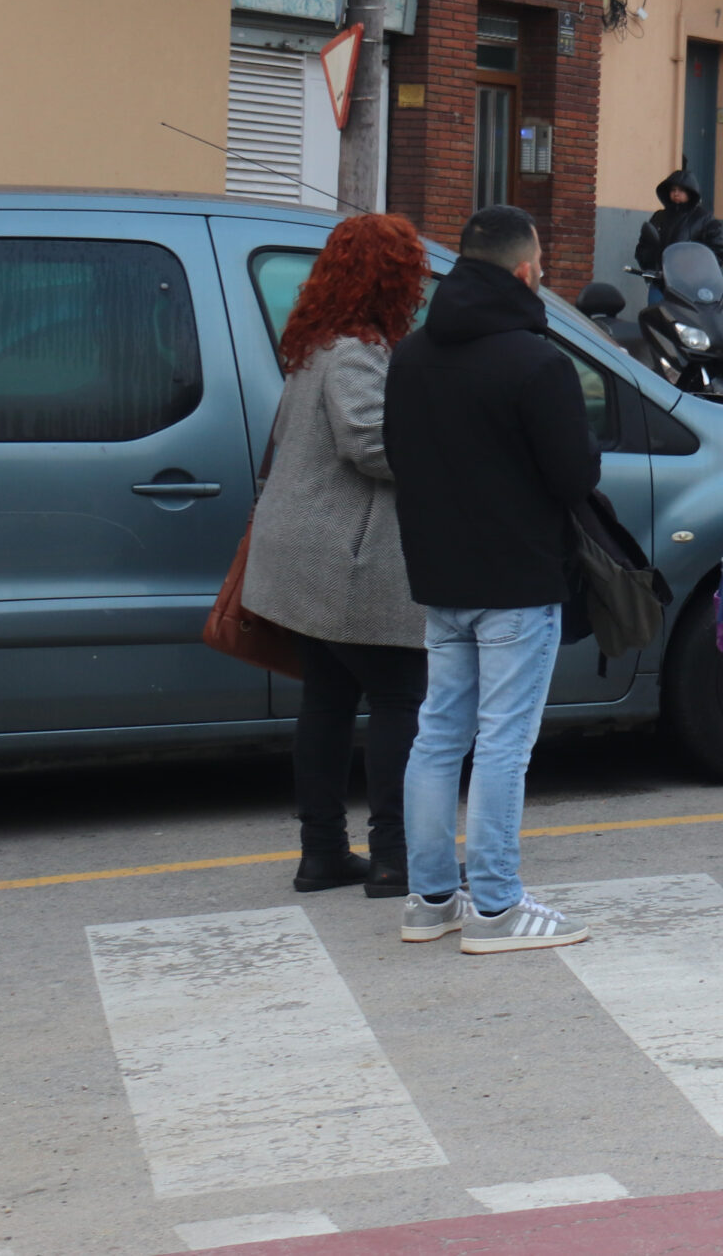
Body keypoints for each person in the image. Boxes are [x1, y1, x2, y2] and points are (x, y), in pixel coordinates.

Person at [385, 205, 602, 953]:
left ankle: (430, 897)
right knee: (505, 743)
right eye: (540, 262)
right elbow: (574, 476)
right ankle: (499, 906)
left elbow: (397, 458)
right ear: (523, 270)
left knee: (437, 735)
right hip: (517, 578)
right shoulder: (537, 361)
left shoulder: (410, 356)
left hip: (440, 577)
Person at [242, 214, 432, 899]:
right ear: (392, 277)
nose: (417, 285)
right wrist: (450, 454)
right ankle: (394, 858)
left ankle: (322, 852)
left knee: (327, 701)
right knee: (398, 697)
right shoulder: (357, 348)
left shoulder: (316, 341)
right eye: (411, 272)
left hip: (305, 551)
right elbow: (369, 444)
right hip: (346, 557)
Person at [634, 169, 723, 303]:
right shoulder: (659, 217)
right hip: (661, 283)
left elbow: (717, 251)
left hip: (691, 287)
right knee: (655, 317)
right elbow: (644, 244)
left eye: (681, 190)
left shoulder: (703, 219)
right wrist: (651, 265)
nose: (676, 193)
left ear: (690, 192)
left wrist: (698, 272)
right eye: (673, 189)